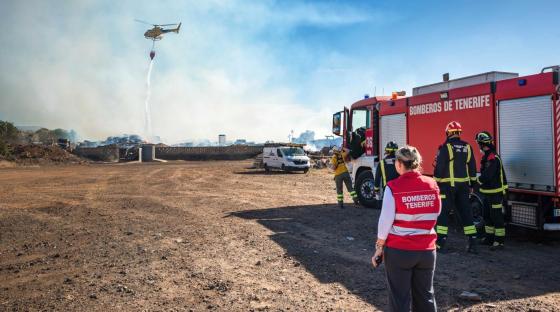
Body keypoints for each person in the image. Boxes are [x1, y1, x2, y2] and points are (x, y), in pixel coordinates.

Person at [372, 145, 440, 312]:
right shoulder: (432, 185)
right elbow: (436, 213)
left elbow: (385, 221)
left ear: (400, 163)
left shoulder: (393, 187)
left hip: (399, 251)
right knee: (425, 297)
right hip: (427, 251)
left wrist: (379, 248)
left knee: (399, 299)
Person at [434, 121, 478, 253]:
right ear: (459, 133)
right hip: (463, 186)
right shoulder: (467, 147)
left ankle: (440, 243)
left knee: (444, 214)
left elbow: (440, 167)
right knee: (466, 212)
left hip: (447, 186)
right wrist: (472, 184)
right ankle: (472, 242)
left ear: (448, 133)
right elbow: (472, 167)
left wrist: (435, 182)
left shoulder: (446, 147)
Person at [475, 131, 508, 250]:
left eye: (478, 144)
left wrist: (476, 182)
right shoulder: (487, 156)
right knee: (487, 215)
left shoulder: (492, 157)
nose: (478, 146)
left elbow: (488, 175)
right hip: (487, 192)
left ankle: (499, 242)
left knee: (496, 216)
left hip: (495, 192)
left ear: (482, 144)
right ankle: (489, 238)